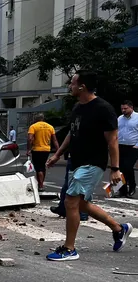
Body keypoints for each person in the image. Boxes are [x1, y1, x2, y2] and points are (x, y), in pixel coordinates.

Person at [45, 70, 132, 261]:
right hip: (76, 162)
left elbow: (113, 140)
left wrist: (115, 169)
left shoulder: (103, 108)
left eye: (72, 83)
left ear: (82, 86)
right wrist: (57, 155)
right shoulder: (78, 107)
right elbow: (72, 133)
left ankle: (69, 249)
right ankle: (119, 229)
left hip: (92, 163)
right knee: (81, 204)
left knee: (70, 202)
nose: (70, 86)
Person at [27, 113, 59, 192]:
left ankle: (40, 186)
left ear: (36, 119)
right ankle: (41, 184)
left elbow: (30, 139)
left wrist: (28, 149)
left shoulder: (33, 126)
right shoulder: (50, 127)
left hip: (37, 149)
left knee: (38, 168)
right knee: (42, 167)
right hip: (46, 150)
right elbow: (54, 140)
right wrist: (58, 151)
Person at [118, 100, 138, 197]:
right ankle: (123, 191)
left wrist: (137, 145)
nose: (123, 110)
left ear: (131, 107)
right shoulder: (120, 118)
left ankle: (132, 186)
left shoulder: (137, 117)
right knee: (121, 169)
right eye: (122, 108)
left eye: (125, 108)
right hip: (120, 146)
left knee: (128, 167)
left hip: (133, 147)